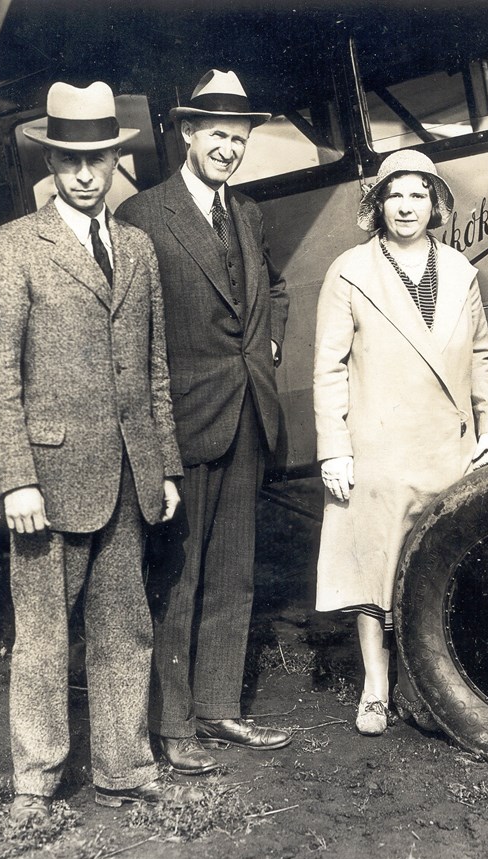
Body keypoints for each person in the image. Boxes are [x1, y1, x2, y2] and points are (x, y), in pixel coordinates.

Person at [0, 81, 200, 821]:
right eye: (70, 159)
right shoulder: (13, 248)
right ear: (51, 163)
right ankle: (36, 782)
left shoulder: (135, 248)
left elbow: (154, 367)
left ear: (113, 160)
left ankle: (123, 765)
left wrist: (164, 464)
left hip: (130, 473)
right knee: (42, 635)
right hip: (51, 477)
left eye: (97, 158)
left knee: (124, 627)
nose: (84, 174)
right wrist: (16, 480)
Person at [115, 70, 291, 775]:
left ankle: (219, 706)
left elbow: (273, 288)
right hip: (181, 423)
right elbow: (128, 331)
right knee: (178, 577)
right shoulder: (141, 217)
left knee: (233, 571)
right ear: (186, 133)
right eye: (215, 134)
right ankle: (172, 721)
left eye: (239, 137)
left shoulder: (245, 213)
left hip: (247, 413)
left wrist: (269, 343)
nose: (227, 148)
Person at [313, 149, 488, 736]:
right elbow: (329, 368)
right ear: (376, 203)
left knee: (441, 566)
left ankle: (437, 682)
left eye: (418, 194)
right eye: (394, 193)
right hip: (377, 447)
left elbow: (480, 358)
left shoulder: (461, 272)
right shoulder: (349, 271)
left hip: (448, 449)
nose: (406, 205)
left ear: (436, 204)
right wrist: (334, 448)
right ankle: (376, 687)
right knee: (376, 568)